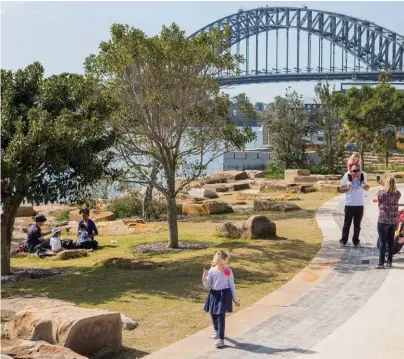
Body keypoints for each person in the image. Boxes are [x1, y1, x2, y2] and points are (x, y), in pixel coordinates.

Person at [202, 250, 240, 348]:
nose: (224, 266)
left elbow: (232, 285)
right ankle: (216, 330)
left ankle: (220, 339)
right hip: (214, 294)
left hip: (224, 295)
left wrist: (235, 299)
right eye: (222, 264)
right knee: (213, 314)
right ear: (216, 262)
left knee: (220, 316)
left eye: (226, 263)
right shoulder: (211, 271)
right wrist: (204, 279)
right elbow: (208, 286)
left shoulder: (228, 271)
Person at [373, 176, 401, 269]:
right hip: (393, 221)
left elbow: (374, 199)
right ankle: (389, 262)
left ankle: (381, 263)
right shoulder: (398, 194)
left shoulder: (382, 194)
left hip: (383, 220)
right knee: (391, 241)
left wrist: (378, 191)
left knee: (382, 241)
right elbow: (391, 190)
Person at [339, 163, 370, 247]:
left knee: (357, 225)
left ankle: (356, 241)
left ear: (360, 171)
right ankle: (343, 241)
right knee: (347, 224)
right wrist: (347, 188)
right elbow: (340, 189)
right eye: (354, 171)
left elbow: (367, 189)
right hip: (349, 204)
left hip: (359, 205)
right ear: (351, 171)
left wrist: (364, 184)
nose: (356, 172)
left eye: (358, 170)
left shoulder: (362, 177)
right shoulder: (347, 176)